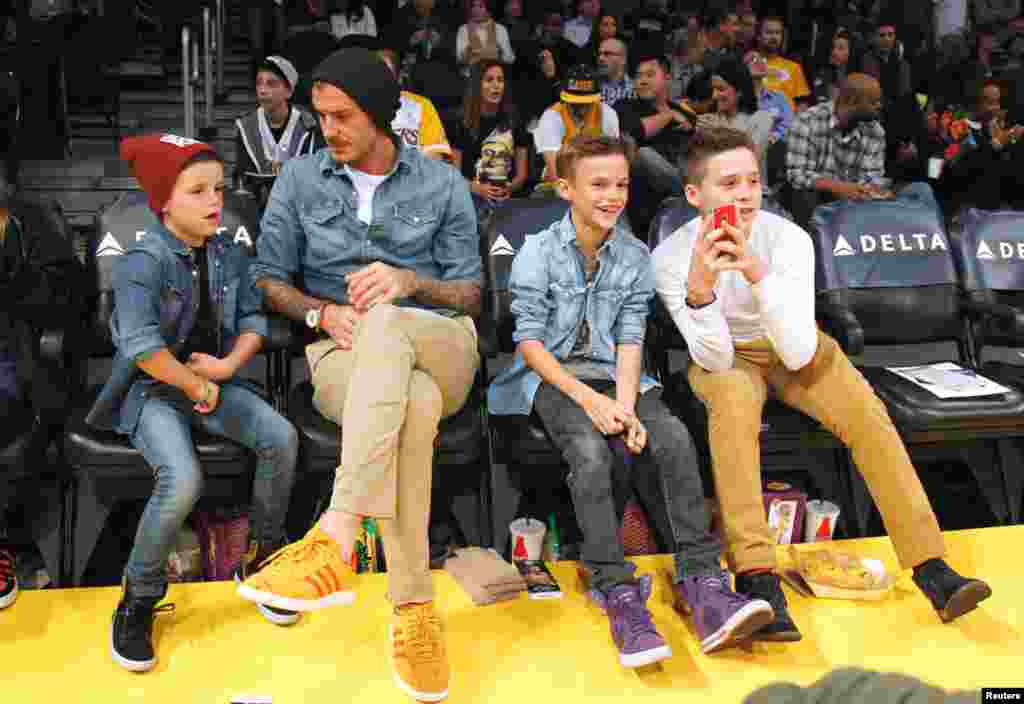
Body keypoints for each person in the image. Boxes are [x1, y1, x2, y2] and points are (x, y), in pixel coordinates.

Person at [652, 126, 993, 643]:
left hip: (794, 344)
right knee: (734, 410)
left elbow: (798, 350)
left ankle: (932, 568)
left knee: (867, 416)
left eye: (751, 181)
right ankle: (757, 576)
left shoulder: (787, 238)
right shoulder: (670, 259)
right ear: (695, 196)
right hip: (724, 355)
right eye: (728, 184)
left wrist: (756, 274)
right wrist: (701, 292)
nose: (745, 195)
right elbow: (715, 355)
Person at [239, 48, 481, 703]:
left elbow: (472, 294)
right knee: (413, 408)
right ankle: (413, 611)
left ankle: (337, 530)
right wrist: (320, 313)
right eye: (320, 118)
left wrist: (410, 283)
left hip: (440, 341)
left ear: (380, 115)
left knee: (390, 324)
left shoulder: (441, 183)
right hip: (341, 353)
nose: (330, 130)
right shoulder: (298, 181)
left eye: (343, 117)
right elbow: (266, 278)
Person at [488, 134, 775, 667]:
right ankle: (615, 587)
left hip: (618, 376)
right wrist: (590, 404)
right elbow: (528, 344)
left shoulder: (634, 254)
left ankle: (702, 582)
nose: (612, 195)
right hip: (550, 379)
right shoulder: (538, 252)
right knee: (592, 452)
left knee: (669, 436)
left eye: (621, 184)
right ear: (566, 188)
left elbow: (628, 338)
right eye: (598, 184)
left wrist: (623, 403)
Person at [86, 135, 300, 672]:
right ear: (164, 201)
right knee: (181, 479)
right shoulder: (142, 259)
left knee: (282, 438)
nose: (214, 202)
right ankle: (137, 599)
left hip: (211, 379)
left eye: (219, 190)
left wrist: (227, 369)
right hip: (154, 388)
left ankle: (262, 557)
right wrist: (198, 386)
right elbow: (141, 350)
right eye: (198, 191)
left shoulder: (229, 250)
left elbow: (253, 320)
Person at [784, 73, 888, 230]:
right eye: (874, 102)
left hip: (855, 202)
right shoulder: (808, 121)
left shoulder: (875, 131)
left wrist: (869, 190)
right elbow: (797, 175)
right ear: (853, 101)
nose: (879, 106)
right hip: (814, 202)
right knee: (804, 195)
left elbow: (872, 177)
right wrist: (839, 187)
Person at [614, 49, 692, 225]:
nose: (642, 81)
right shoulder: (624, 106)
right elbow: (634, 132)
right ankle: (691, 193)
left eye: (650, 75)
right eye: (638, 76)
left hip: (679, 185)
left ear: (667, 78)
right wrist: (668, 116)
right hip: (642, 195)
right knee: (644, 155)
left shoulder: (686, 115)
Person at [234, 56, 318, 201]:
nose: (262, 90)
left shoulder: (307, 126)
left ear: (289, 92)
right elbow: (242, 177)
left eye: (271, 84)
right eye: (259, 83)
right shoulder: (246, 126)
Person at [451, 60, 530, 204]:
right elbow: (454, 175)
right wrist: (476, 188)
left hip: (507, 199)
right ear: (477, 85)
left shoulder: (515, 119)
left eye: (500, 80)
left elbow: (522, 175)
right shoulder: (461, 121)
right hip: (470, 198)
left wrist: (510, 188)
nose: (496, 85)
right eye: (489, 80)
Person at [534, 64, 620, 187]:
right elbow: (554, 173)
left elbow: (614, 161)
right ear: (565, 99)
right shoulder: (551, 117)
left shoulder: (608, 114)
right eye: (575, 103)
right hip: (558, 187)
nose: (581, 109)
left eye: (586, 103)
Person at [696, 56, 775, 174]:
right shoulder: (710, 120)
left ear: (739, 92)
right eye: (713, 89)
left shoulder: (763, 119)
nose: (714, 96)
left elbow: (751, 161)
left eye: (720, 89)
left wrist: (722, 129)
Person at [759, 16, 811, 112]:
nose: (774, 37)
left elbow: (802, 103)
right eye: (769, 32)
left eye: (777, 33)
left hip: (788, 124)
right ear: (759, 36)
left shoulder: (794, 67)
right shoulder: (750, 65)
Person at [745, 49, 793, 145]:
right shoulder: (739, 98)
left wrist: (774, 137)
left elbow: (787, 124)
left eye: (761, 60)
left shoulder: (779, 98)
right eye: (753, 60)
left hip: (772, 149)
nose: (758, 62)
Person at [455, 0, 515, 69]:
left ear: (489, 10)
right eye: (473, 6)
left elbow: (510, 58)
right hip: (471, 75)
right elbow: (459, 58)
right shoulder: (463, 29)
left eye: (480, 6)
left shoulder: (500, 29)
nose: (476, 10)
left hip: (494, 74)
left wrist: (498, 56)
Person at [810, 29, 855, 106]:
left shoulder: (857, 75)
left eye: (841, 48)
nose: (834, 52)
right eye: (833, 47)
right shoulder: (823, 73)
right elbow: (820, 99)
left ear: (851, 51)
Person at [598, 37, 635, 107]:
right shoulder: (591, 86)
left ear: (623, 59)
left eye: (607, 54)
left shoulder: (637, 89)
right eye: (599, 54)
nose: (601, 58)